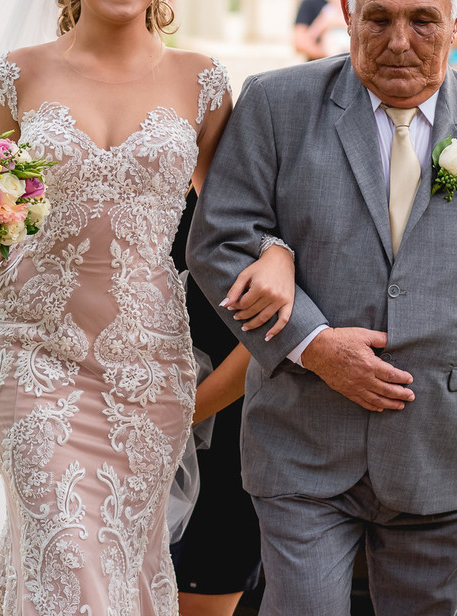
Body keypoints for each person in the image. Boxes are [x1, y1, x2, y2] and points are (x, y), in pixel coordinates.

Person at [186, 0, 457, 616]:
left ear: (456, 18)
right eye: (380, 19)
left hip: (446, 451)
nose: (400, 42)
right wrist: (313, 344)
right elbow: (219, 243)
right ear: (346, 11)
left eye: (423, 21)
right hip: (301, 443)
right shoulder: (275, 105)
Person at [0, 0, 295, 616]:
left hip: (148, 375)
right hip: (33, 361)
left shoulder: (201, 84)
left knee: (126, 571)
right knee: (66, 554)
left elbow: (241, 224)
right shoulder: (18, 78)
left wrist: (278, 254)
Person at [169, 188, 263, 616]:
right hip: (109, 416)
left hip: (231, 435)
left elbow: (271, 331)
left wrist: (174, 420)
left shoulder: (254, 179)